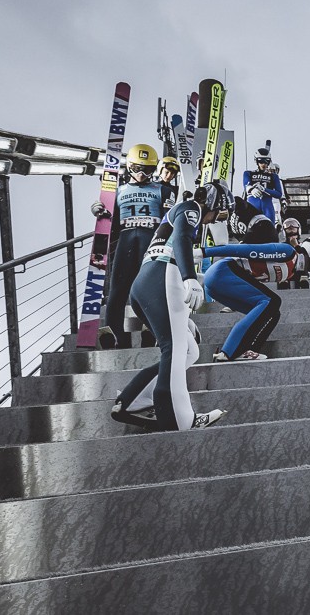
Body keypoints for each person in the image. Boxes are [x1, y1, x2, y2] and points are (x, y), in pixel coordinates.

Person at [110, 180, 234, 431]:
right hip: (164, 277)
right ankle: (180, 419)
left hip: (147, 283)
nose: (214, 220)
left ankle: (132, 401)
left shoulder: (179, 212)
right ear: (211, 203)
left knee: (189, 351)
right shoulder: (191, 208)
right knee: (175, 349)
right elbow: (182, 238)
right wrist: (190, 277)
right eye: (219, 213)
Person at [198, 233, 310, 361]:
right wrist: (204, 252)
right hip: (223, 272)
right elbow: (244, 249)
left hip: (220, 284)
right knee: (273, 301)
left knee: (273, 313)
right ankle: (229, 351)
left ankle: (249, 350)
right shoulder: (288, 253)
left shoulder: (293, 271)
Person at [93, 144, 175, 349]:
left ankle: (151, 329)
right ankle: (115, 333)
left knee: (150, 286)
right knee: (118, 288)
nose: (141, 174)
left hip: (152, 240)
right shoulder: (118, 191)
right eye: (137, 168)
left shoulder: (163, 190)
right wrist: (99, 208)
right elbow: (109, 219)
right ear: (129, 166)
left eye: (147, 170)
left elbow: (170, 219)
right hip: (126, 239)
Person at [243, 148, 283, 223]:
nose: (264, 164)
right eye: (261, 161)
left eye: (266, 161)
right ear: (256, 161)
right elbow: (246, 185)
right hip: (252, 205)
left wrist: (264, 189)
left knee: (270, 227)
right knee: (250, 227)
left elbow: (279, 194)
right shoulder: (248, 173)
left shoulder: (274, 176)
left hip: (267, 206)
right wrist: (252, 189)